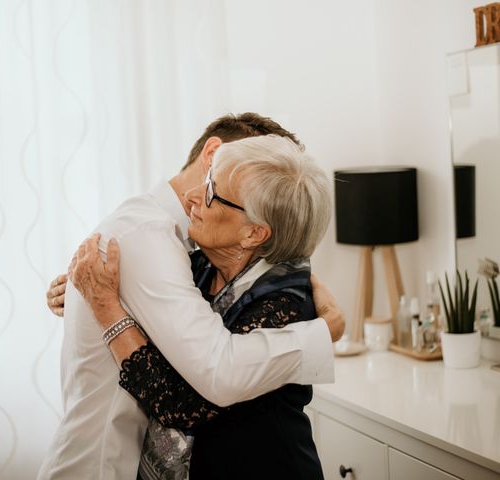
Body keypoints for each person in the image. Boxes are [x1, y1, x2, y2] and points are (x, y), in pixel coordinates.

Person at [38, 113, 344, 480]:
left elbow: (192, 395)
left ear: (255, 233)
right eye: (212, 178)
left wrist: (324, 330)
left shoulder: (280, 293)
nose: (193, 197)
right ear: (213, 154)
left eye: (215, 190)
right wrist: (78, 292)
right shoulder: (175, 251)